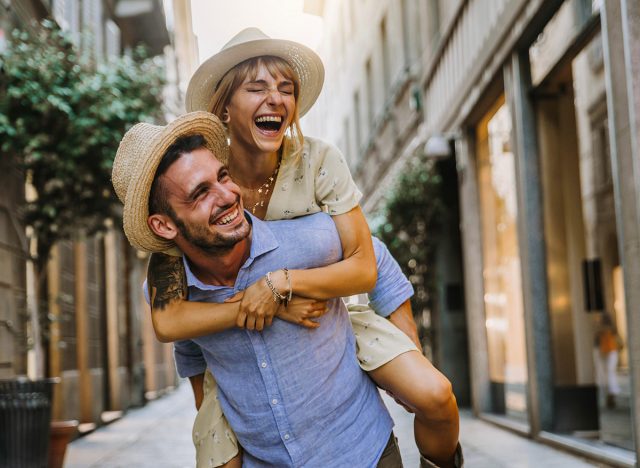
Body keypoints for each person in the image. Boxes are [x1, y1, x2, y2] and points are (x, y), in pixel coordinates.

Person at [146, 28, 460, 468]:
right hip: (240, 363)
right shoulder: (203, 188)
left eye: (285, 89)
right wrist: (269, 304)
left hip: (332, 317)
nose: (275, 98)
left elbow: (372, 258)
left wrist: (284, 284)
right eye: (257, 87)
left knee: (434, 394)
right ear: (224, 108)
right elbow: (178, 325)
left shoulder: (317, 162)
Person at [111, 112, 403, 466]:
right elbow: (191, 353)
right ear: (163, 225)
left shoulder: (304, 238)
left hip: (362, 452)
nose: (228, 196)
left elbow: (375, 258)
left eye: (222, 176)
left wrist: (408, 356)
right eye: (200, 193)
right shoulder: (173, 295)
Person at [594, 313, 623, 409]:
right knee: (608, 373)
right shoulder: (609, 328)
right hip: (608, 351)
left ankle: (610, 393)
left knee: (608, 373)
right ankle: (610, 393)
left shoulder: (602, 329)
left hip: (607, 351)